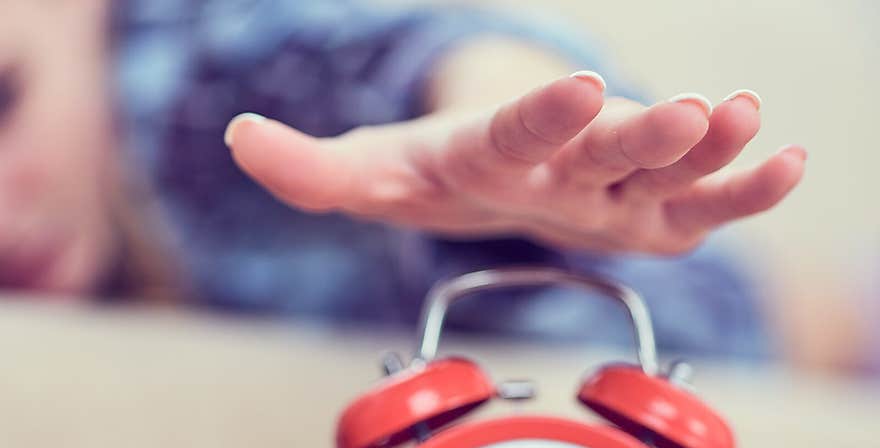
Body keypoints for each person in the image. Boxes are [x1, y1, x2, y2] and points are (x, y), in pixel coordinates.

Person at [0, 0, 806, 360]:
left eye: (5, 100)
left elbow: (391, 47)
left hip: (809, 333)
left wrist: (501, 111)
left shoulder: (193, 66)